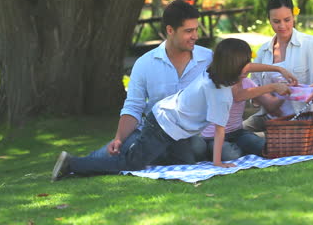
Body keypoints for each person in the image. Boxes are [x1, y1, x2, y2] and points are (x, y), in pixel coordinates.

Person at [51, 38, 298, 179]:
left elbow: (243, 89)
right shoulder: (220, 92)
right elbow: (220, 130)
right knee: (133, 164)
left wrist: (275, 77)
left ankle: (145, 149)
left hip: (171, 122)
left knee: (185, 160)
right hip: (163, 125)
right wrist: (217, 164)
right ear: (236, 66)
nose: (249, 65)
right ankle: (73, 164)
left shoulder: (215, 72)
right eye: (246, 61)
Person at [65, 0, 213, 174]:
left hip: (190, 134)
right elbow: (134, 106)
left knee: (196, 147)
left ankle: (77, 165)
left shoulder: (208, 58)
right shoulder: (145, 64)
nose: (195, 35)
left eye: (196, 29)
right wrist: (119, 138)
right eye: (189, 31)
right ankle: (72, 165)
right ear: (170, 30)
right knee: (119, 148)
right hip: (152, 130)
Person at [243, 0, 313, 133]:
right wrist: (266, 96)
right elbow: (254, 89)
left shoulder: (310, 44)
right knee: (235, 132)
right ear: (269, 20)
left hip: (302, 119)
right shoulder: (264, 51)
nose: (282, 26)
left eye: (287, 20)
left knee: (255, 142)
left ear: (294, 17)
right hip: (268, 119)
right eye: (276, 21)